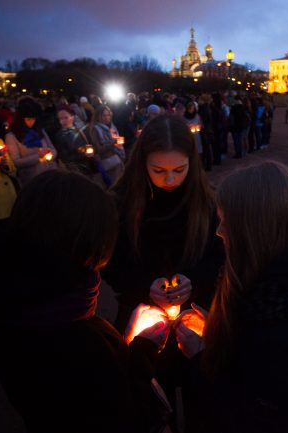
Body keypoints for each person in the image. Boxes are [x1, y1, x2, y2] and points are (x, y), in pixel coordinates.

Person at [0, 170, 171, 433]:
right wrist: (143, 352)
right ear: (88, 242)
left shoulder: (14, 297)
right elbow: (121, 416)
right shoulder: (69, 338)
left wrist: (119, 341)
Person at [174, 160, 288, 433]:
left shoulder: (285, 326)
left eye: (226, 223)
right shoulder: (264, 280)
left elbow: (250, 415)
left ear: (254, 232)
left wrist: (200, 358)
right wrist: (218, 328)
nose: (219, 232)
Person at [103, 114, 224, 429]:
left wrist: (194, 280)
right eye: (158, 171)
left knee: (204, 402)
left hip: (197, 321)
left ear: (192, 164)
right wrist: (145, 285)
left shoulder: (208, 202)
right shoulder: (120, 204)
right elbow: (110, 263)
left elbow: (220, 255)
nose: (169, 180)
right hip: (142, 324)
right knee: (153, 406)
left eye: (178, 170)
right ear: (141, 163)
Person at [52, 105, 109, 187]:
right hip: (75, 172)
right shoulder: (59, 135)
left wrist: (92, 150)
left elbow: (91, 145)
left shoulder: (79, 130)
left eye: (66, 118)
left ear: (73, 117)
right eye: (60, 119)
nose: (63, 121)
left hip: (89, 168)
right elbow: (64, 158)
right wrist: (83, 155)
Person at [5, 102, 57, 187]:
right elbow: (16, 162)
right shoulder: (12, 136)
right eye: (28, 119)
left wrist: (51, 154)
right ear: (20, 119)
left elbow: (53, 148)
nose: (32, 122)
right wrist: (38, 156)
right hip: (33, 179)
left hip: (52, 173)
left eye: (34, 119)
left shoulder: (40, 130)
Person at [84, 105, 125, 186]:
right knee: (114, 185)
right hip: (108, 161)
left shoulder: (111, 126)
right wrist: (113, 143)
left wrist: (118, 144)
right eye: (104, 115)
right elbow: (99, 149)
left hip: (118, 157)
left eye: (108, 115)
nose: (107, 118)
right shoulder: (96, 129)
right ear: (98, 116)